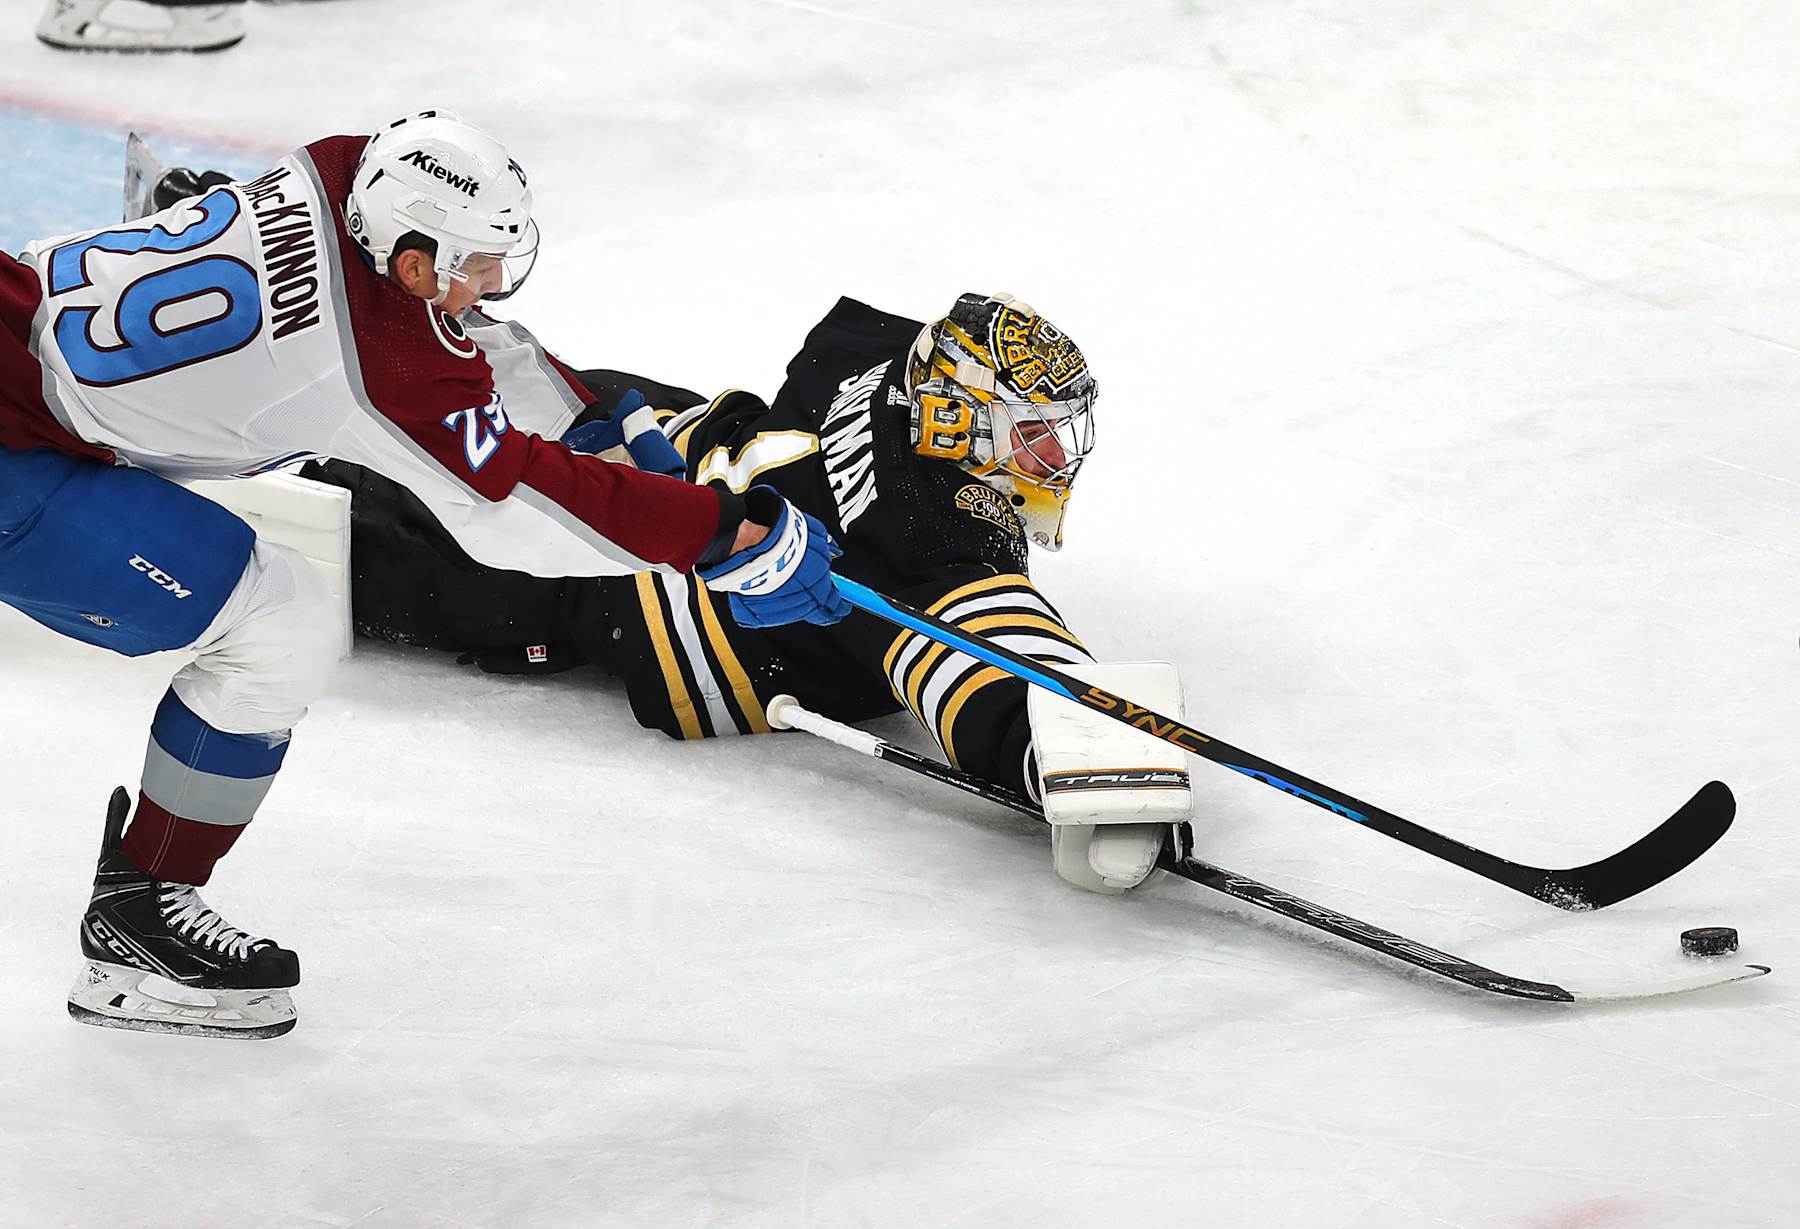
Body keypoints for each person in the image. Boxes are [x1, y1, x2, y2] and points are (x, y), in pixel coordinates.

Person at [2, 112, 843, 1038]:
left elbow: (461, 341)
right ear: (406, 259)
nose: (489, 283)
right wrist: (717, 536)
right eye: (472, 262)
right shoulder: (362, 368)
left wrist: (584, 414)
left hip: (25, 325)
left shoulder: (342, 169)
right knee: (277, 623)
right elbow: (514, 514)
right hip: (17, 452)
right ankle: (138, 924)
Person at [300, 291, 1196, 900]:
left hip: (657, 442)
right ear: (959, 415)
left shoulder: (891, 362)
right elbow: (989, 660)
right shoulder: (946, 542)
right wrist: (1083, 765)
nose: (1054, 458)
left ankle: (293, 322)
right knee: (358, 540)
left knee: (456, 382)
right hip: (634, 594)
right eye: (1033, 435)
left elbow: (829, 365)